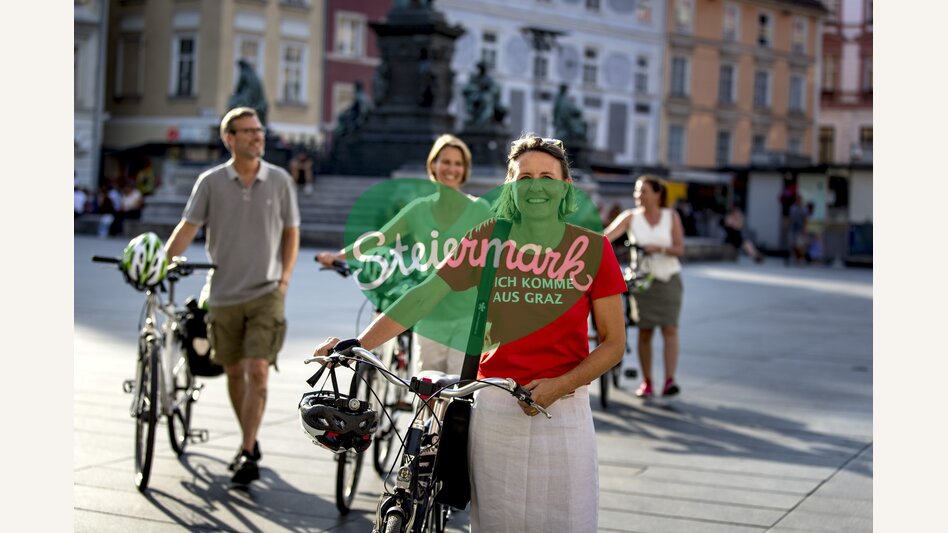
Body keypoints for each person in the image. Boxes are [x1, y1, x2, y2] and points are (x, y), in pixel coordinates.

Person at [314, 134, 627, 531]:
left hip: (563, 412)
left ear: (564, 186)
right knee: (496, 522)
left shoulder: (593, 249)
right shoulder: (488, 238)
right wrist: (357, 343)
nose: (535, 186)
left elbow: (614, 343)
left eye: (546, 177)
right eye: (523, 176)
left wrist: (560, 384)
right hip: (494, 403)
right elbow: (424, 295)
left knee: (566, 522)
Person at [164, 107, 301, 485]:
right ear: (230, 139)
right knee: (235, 371)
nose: (259, 137)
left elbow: (292, 233)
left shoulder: (280, 180)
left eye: (260, 131)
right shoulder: (210, 182)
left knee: (258, 369)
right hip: (222, 294)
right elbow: (187, 228)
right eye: (249, 132)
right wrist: (162, 263)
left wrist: (285, 279)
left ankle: (245, 450)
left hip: (266, 293)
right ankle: (250, 439)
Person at [317, 134, 490, 374]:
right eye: (445, 161)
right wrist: (340, 256)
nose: (451, 168)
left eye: (457, 163)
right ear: (433, 165)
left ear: (465, 170)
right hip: (429, 312)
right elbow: (380, 238)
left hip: (467, 314)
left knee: (456, 391)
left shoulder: (479, 209)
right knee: (425, 389)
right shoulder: (419, 209)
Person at [604, 175, 685, 399]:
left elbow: (679, 249)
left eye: (644, 191)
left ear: (658, 194)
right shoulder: (630, 217)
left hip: (668, 278)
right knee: (645, 331)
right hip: (641, 281)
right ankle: (647, 381)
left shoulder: (671, 216)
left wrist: (658, 248)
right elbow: (606, 236)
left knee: (670, 328)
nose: (638, 195)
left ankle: (670, 380)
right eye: (637, 191)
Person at [786, 194, 807, 265]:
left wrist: (804, 230)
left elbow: (805, 220)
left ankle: (801, 259)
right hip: (792, 228)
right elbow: (790, 218)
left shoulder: (803, 208)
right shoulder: (793, 208)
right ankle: (794, 258)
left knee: (800, 245)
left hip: (800, 229)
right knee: (792, 244)